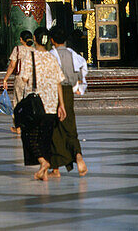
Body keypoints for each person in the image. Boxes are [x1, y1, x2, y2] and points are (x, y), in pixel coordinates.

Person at [15, 27, 67, 181]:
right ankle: (43, 172)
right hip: (52, 103)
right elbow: (59, 82)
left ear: (35, 39)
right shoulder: (52, 58)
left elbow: (23, 79)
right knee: (46, 138)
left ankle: (43, 162)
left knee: (30, 136)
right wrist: (61, 105)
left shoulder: (30, 57)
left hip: (36, 104)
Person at [48, 26, 88, 177]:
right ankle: (77, 155)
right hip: (69, 92)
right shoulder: (73, 54)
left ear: (52, 40)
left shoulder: (51, 54)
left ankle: (56, 168)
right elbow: (83, 68)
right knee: (70, 124)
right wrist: (80, 86)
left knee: (56, 128)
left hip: (55, 92)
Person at [3, 28, 35, 132]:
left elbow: (12, 65)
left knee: (18, 102)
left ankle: (19, 126)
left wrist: (5, 79)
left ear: (21, 39)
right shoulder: (35, 50)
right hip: (32, 79)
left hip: (20, 78)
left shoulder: (17, 49)